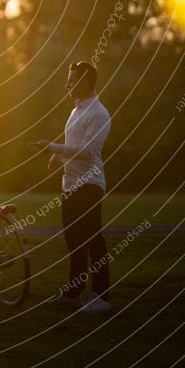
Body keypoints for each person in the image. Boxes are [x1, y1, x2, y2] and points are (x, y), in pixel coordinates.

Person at [32, 61, 112, 314]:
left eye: (71, 80)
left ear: (85, 82)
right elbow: (74, 143)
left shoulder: (99, 113)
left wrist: (54, 148)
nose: (67, 84)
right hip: (70, 185)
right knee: (74, 241)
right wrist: (57, 157)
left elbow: (89, 152)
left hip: (90, 184)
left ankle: (101, 296)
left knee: (92, 238)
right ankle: (73, 293)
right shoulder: (75, 110)